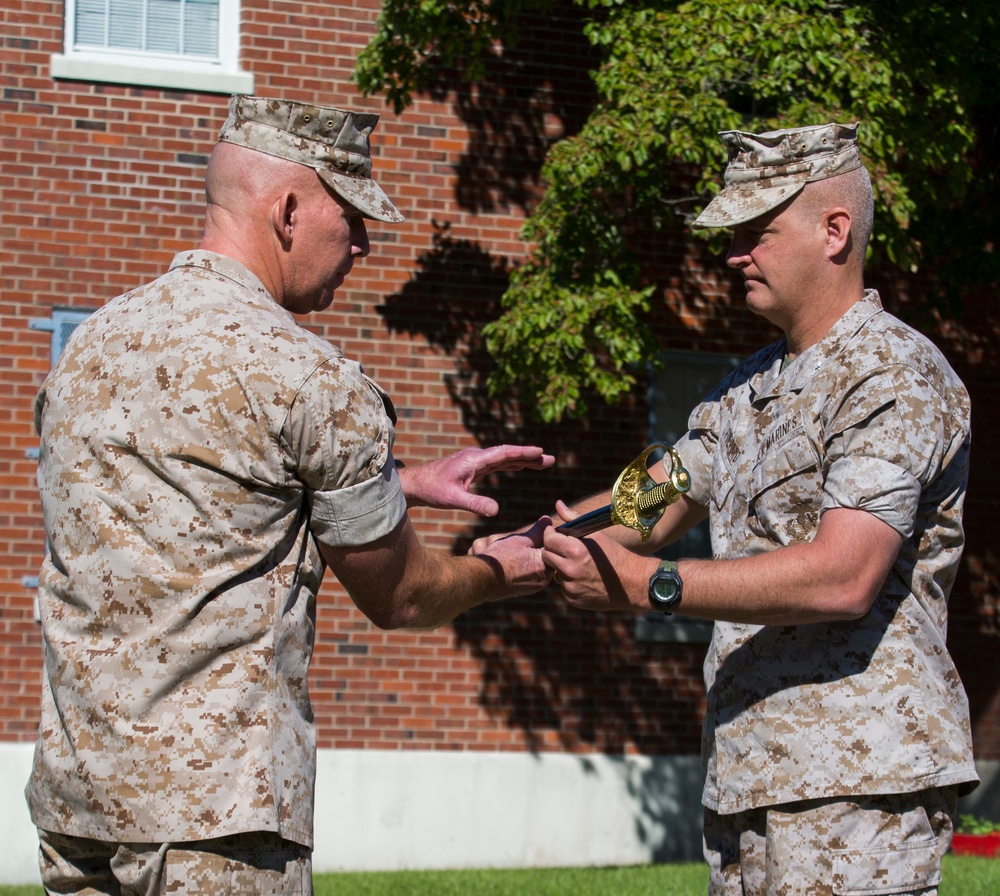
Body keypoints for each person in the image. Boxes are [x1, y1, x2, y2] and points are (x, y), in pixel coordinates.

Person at [26, 94, 553, 896]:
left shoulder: (93, 346)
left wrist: (402, 483)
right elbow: (404, 596)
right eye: (353, 217)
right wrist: (499, 571)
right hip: (214, 822)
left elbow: (199, 490)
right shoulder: (305, 375)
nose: (364, 244)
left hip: (80, 802)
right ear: (290, 210)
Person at [538, 122, 978, 894]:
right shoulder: (745, 387)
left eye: (756, 233)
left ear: (834, 230)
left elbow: (845, 576)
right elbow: (658, 495)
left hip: (858, 786)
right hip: (749, 776)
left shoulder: (892, 375)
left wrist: (651, 587)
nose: (734, 254)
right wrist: (538, 541)